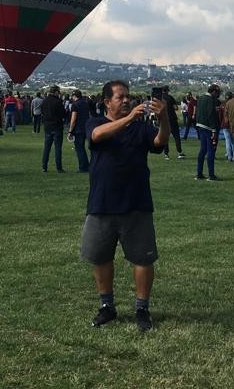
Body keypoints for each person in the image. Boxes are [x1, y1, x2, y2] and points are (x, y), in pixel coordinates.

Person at [80, 80, 171, 332]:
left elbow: (159, 141)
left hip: (136, 202)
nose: (126, 100)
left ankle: (142, 308)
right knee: (100, 256)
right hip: (102, 203)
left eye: (128, 97)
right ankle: (107, 306)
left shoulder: (139, 128)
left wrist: (164, 118)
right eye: (120, 97)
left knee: (142, 259)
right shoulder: (96, 122)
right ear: (106, 102)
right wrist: (130, 117)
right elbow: (98, 136)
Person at [194, 84, 221, 181]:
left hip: (200, 125)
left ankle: (199, 173)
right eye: (217, 93)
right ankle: (211, 174)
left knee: (202, 150)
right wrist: (214, 129)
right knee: (210, 151)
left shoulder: (201, 98)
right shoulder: (210, 100)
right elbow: (211, 114)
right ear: (213, 91)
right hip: (208, 127)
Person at [40, 85, 65, 173]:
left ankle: (44, 167)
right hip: (57, 126)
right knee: (58, 148)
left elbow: (42, 112)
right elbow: (63, 114)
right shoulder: (58, 102)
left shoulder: (44, 101)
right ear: (56, 92)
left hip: (47, 126)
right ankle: (59, 167)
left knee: (47, 148)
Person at [68, 89, 92, 173]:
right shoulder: (85, 103)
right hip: (86, 127)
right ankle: (87, 166)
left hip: (78, 129)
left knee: (79, 148)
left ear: (74, 96)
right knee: (83, 148)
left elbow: (73, 119)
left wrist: (70, 131)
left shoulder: (75, 105)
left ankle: (82, 167)